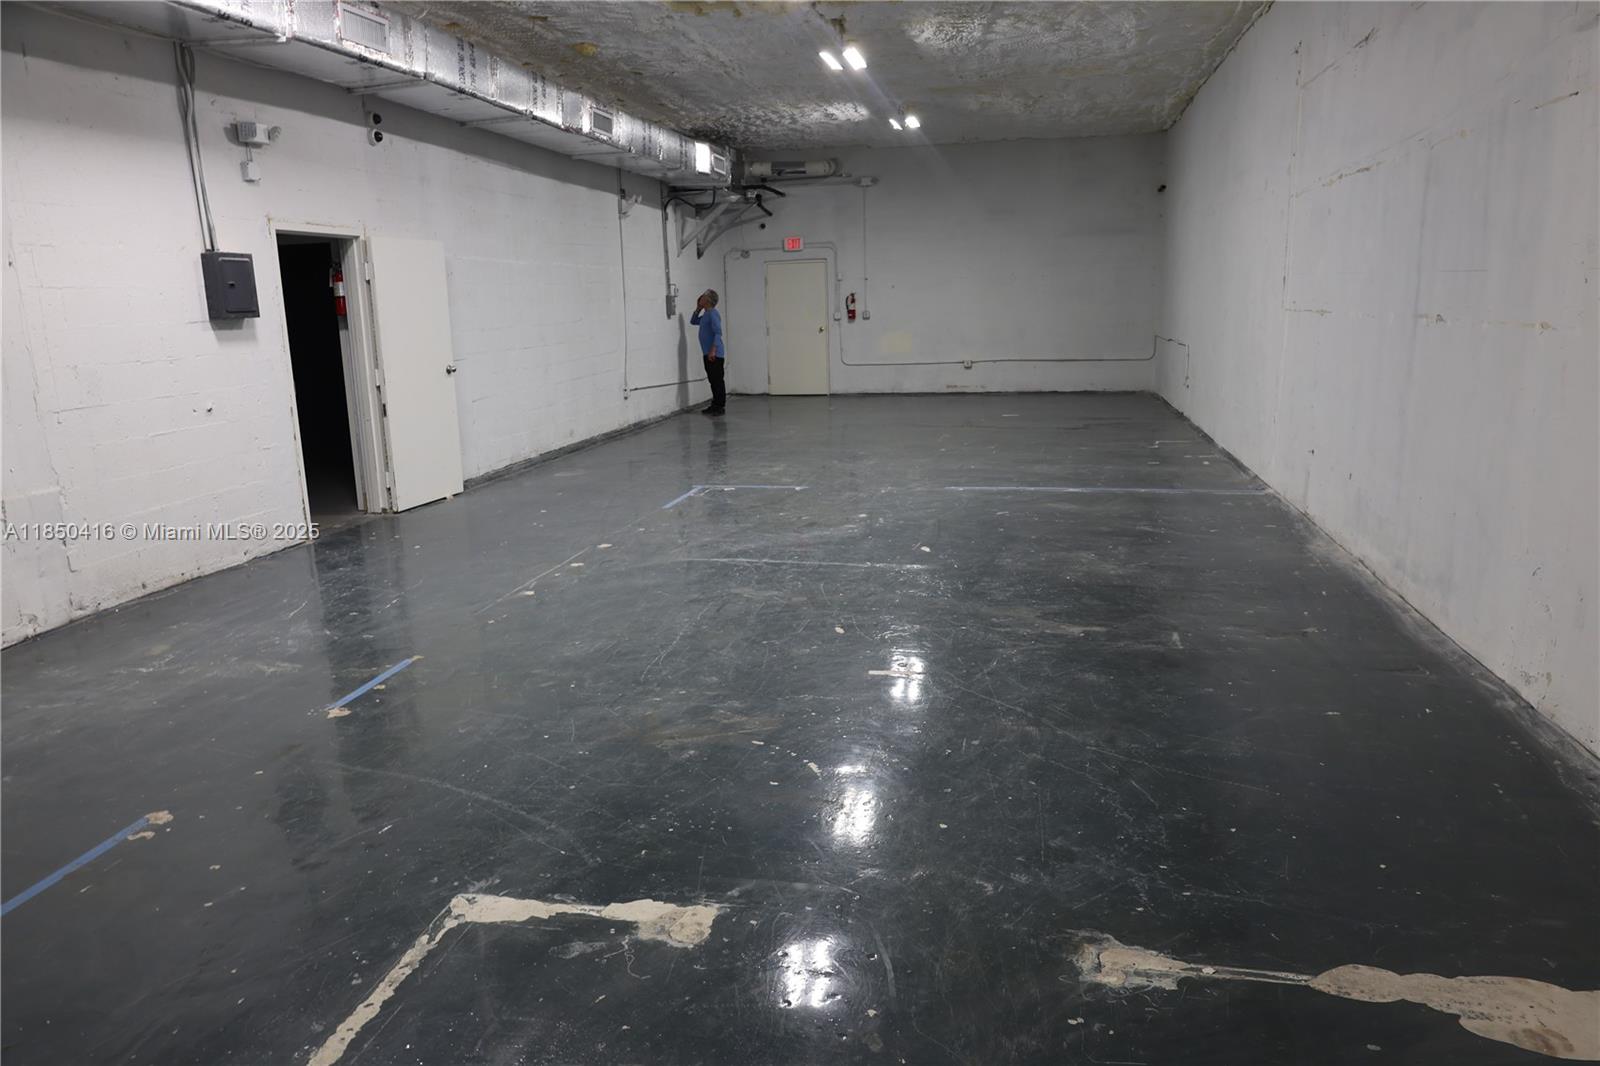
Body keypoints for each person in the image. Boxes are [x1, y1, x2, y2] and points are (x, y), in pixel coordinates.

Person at [690, 289, 726, 416]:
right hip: (707, 353)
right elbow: (693, 321)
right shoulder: (706, 314)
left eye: (703, 296)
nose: (700, 297)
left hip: (715, 353)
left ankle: (720, 406)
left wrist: (713, 350)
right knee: (712, 380)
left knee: (717, 381)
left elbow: (718, 332)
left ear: (708, 300)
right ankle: (715, 404)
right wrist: (698, 308)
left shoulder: (713, 313)